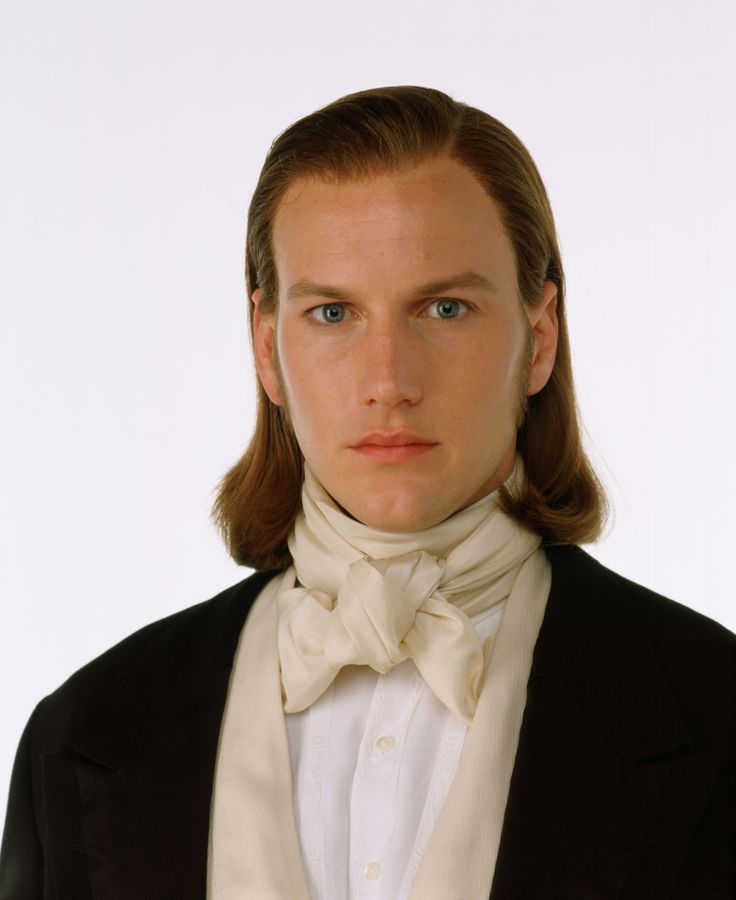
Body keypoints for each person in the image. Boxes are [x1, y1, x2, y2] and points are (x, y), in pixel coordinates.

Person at [1, 86, 733, 900]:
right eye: (334, 312)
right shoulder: (81, 732)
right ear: (267, 346)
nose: (388, 380)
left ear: (540, 336)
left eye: (445, 308)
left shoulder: (719, 712)